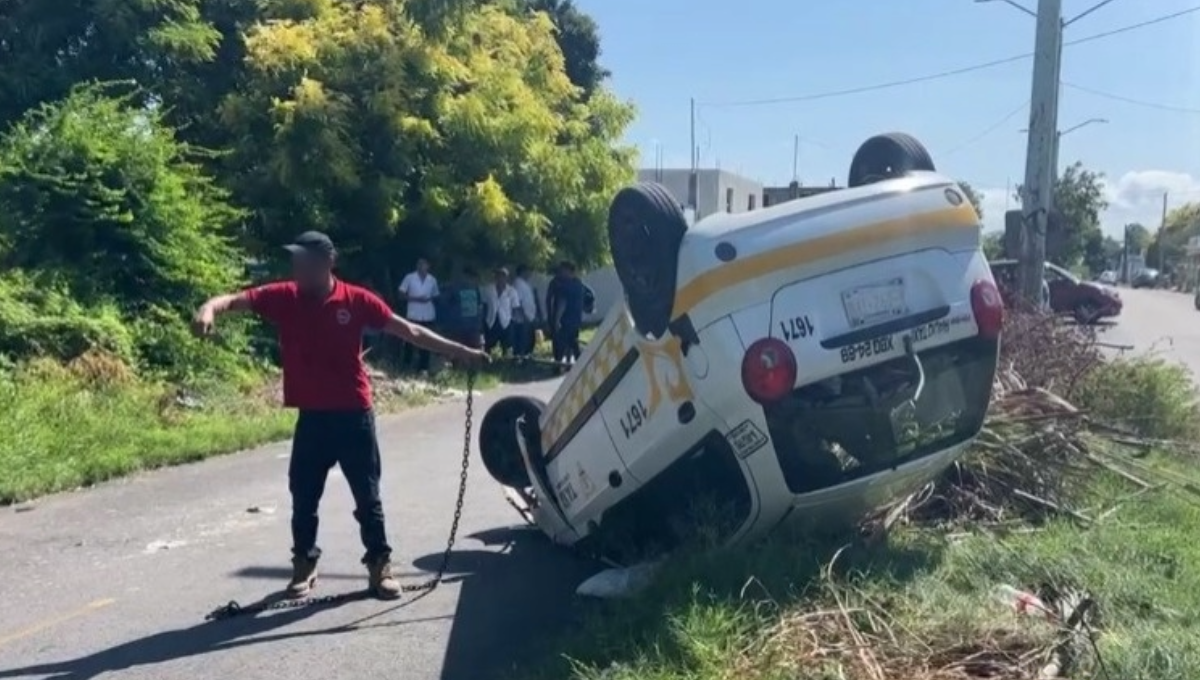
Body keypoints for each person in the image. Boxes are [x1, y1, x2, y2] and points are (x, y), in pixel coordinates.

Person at [191, 231, 487, 600]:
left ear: (327, 263)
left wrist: (461, 351)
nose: (297, 268)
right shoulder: (285, 297)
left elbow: (409, 330)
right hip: (312, 417)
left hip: (353, 414)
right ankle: (304, 564)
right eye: (295, 261)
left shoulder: (357, 301)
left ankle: (380, 568)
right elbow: (234, 300)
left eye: (304, 262)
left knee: (368, 496)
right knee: (303, 494)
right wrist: (208, 309)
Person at [397, 258, 439, 373]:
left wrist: (428, 299)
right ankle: (406, 365)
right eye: (419, 264)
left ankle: (423, 367)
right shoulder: (409, 277)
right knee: (410, 339)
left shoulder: (432, 280)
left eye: (424, 264)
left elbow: (436, 295)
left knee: (426, 340)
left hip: (427, 313)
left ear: (428, 266)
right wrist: (415, 299)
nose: (422, 266)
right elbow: (401, 294)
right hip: (413, 313)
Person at [548, 261, 586, 368]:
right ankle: (576, 365)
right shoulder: (578, 283)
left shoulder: (564, 285)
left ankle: (558, 366)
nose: (560, 273)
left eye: (562, 270)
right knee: (573, 343)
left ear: (568, 270)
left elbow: (562, 303)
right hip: (575, 319)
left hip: (565, 321)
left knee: (560, 344)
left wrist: (556, 320)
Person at [439, 266, 484, 354]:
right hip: (460, 326)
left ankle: (470, 366)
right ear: (464, 275)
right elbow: (444, 302)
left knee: (472, 350)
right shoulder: (454, 286)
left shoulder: (475, 288)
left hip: (471, 326)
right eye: (469, 276)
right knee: (460, 350)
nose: (470, 279)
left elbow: (479, 306)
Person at [482, 267, 521, 356]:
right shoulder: (488, 289)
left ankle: (505, 362)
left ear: (506, 278)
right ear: (495, 277)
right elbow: (484, 304)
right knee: (488, 343)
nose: (500, 278)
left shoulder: (512, 291)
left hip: (506, 321)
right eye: (498, 276)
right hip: (491, 320)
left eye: (503, 276)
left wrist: (515, 320)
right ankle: (487, 360)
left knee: (507, 344)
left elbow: (515, 307)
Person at [512, 265, 539, 359]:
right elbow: (518, 303)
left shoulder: (525, 284)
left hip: (529, 317)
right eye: (528, 271)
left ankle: (525, 357)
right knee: (522, 340)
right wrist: (525, 316)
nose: (530, 273)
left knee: (529, 340)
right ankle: (520, 359)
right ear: (523, 271)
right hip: (522, 319)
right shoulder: (518, 284)